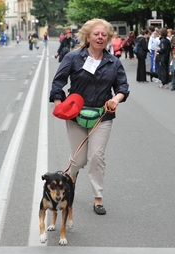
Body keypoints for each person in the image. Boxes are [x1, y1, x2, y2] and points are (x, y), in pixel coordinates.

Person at [49, 18, 130, 215]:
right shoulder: (73, 57)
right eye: (96, 34)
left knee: (96, 156)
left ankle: (98, 197)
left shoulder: (114, 62)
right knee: (78, 160)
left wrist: (116, 100)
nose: (100, 37)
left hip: (102, 116)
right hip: (76, 115)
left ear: (109, 38)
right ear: (88, 36)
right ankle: (73, 175)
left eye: (104, 35)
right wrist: (60, 105)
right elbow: (58, 83)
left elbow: (122, 87)